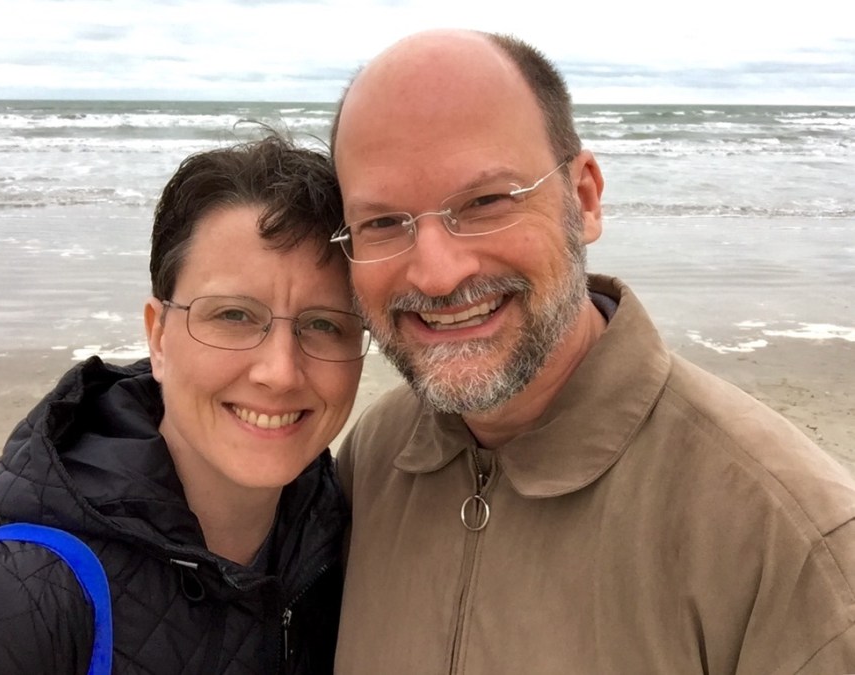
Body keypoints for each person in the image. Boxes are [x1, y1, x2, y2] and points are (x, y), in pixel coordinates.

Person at [329, 29, 855, 674]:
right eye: (383, 222)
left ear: (584, 200)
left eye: (486, 202)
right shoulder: (374, 459)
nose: (436, 275)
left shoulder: (793, 541)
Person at [0, 133, 369, 673]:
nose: (280, 372)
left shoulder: (351, 542)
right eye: (233, 315)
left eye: (324, 325)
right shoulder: (16, 599)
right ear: (158, 337)